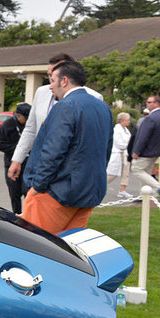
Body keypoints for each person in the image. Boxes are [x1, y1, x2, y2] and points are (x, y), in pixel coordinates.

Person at [21, 61, 112, 233]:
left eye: (52, 81)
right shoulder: (102, 108)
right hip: (89, 192)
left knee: (38, 247)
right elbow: (105, 150)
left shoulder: (65, 106)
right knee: (67, 251)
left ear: (64, 81)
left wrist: (37, 187)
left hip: (58, 193)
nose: (50, 87)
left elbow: (53, 151)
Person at [8, 53, 102, 183]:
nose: (51, 80)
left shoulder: (94, 98)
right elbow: (30, 128)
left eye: (54, 75)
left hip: (70, 175)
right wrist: (17, 159)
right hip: (39, 168)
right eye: (49, 75)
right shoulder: (41, 92)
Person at [130, 95, 160, 201]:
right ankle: (144, 196)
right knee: (145, 172)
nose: (147, 104)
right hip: (156, 151)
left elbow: (143, 136)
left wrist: (136, 151)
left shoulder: (151, 118)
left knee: (136, 169)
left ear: (156, 103)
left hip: (147, 151)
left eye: (149, 102)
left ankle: (158, 187)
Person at [0, 103, 31, 214]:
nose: (27, 121)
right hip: (11, 163)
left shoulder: (30, 125)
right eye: (25, 118)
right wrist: (20, 150)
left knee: (28, 192)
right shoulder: (7, 125)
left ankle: (28, 217)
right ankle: (16, 216)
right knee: (14, 194)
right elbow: (1, 145)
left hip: (28, 164)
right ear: (18, 115)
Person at [108, 112, 132, 199]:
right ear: (122, 120)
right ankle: (98, 185)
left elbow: (129, 140)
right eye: (127, 120)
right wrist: (129, 145)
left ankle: (122, 191)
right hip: (118, 154)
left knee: (125, 173)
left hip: (125, 154)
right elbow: (119, 144)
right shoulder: (116, 130)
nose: (129, 122)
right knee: (113, 174)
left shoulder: (126, 130)